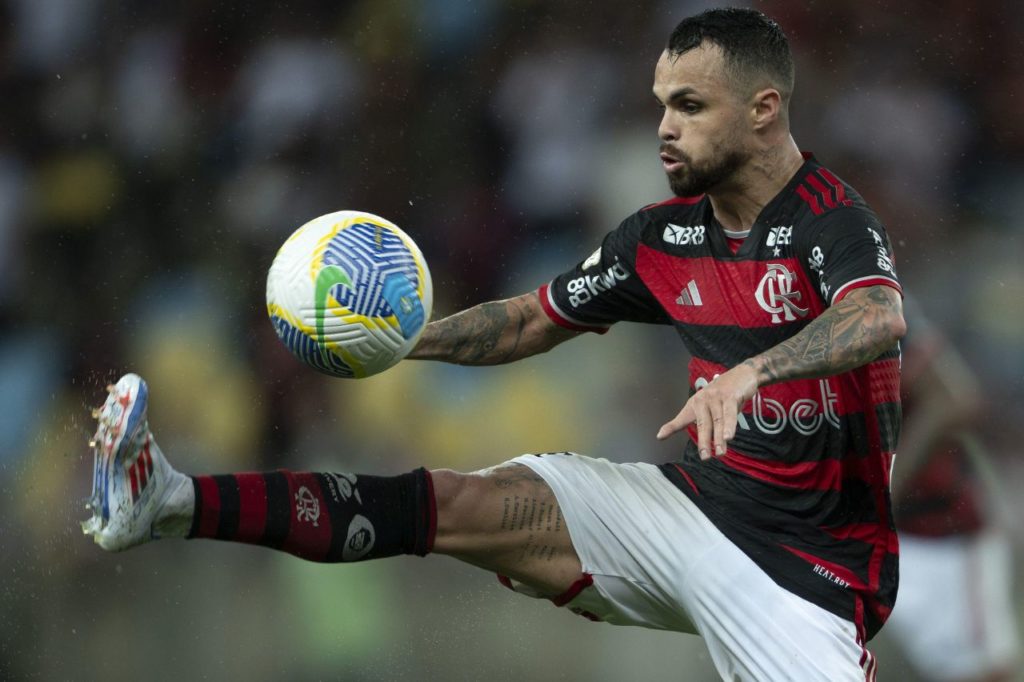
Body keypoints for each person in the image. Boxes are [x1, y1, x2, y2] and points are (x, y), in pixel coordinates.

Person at [82, 8, 906, 681]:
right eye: (660, 103)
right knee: (460, 503)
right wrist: (399, 342)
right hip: (689, 513)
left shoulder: (829, 218)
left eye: (689, 106)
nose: (663, 127)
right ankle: (170, 503)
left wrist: (753, 372)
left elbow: (876, 318)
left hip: (809, 576)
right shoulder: (658, 240)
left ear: (764, 109)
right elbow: (528, 321)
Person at [883, 299, 1020, 682]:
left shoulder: (871, 292)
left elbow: (953, 397)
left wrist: (890, 481)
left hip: (941, 534)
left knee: (976, 673)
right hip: (864, 538)